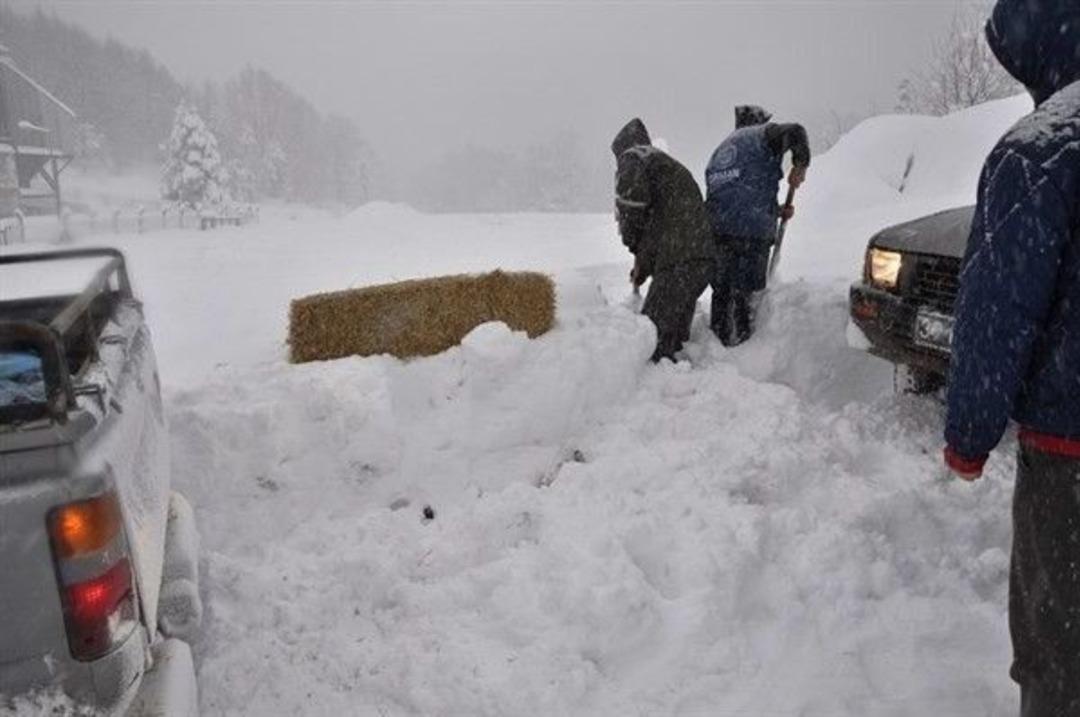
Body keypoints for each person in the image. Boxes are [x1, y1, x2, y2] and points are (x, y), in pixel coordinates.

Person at [942, 2, 1080, 714]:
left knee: (1061, 648)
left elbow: (995, 312)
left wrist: (969, 435)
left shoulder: (1042, 149)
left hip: (1069, 455)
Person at [612, 118, 718, 363]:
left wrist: (632, 243)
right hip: (699, 258)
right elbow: (659, 228)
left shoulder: (634, 157)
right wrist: (643, 266)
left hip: (678, 260)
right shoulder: (663, 167)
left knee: (651, 336)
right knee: (674, 339)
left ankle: (654, 389)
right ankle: (678, 387)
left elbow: (631, 208)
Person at [704, 105, 810, 346]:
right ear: (759, 122)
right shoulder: (762, 135)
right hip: (751, 234)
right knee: (747, 295)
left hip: (718, 232)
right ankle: (746, 348)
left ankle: (716, 346)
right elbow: (796, 131)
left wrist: (775, 210)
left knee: (721, 292)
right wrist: (800, 165)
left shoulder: (720, 151)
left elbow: (734, 193)